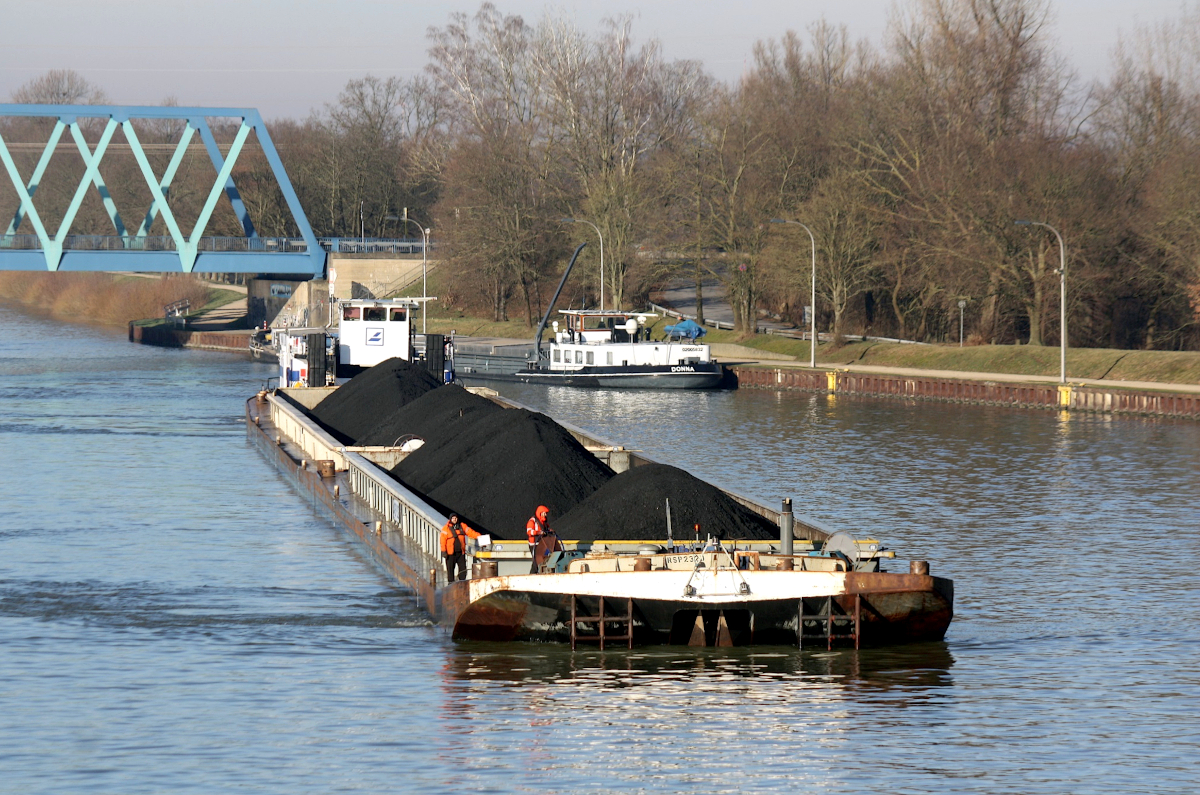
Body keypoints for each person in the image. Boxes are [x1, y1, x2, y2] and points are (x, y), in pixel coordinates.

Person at [440, 513, 482, 582]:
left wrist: (479, 536)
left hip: (460, 553)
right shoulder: (446, 528)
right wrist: (443, 551)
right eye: (453, 518)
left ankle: (462, 583)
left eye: (456, 518)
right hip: (450, 554)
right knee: (450, 571)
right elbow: (442, 541)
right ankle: (451, 584)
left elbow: (471, 533)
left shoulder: (462, 526)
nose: (455, 519)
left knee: (463, 570)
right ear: (450, 519)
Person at [526, 505, 550, 573]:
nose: (545, 515)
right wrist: (538, 532)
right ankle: (532, 575)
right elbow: (529, 531)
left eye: (546, 513)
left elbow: (547, 529)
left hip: (542, 545)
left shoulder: (544, 522)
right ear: (540, 513)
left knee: (542, 560)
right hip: (534, 545)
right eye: (544, 513)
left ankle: (540, 573)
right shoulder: (532, 521)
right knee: (536, 562)